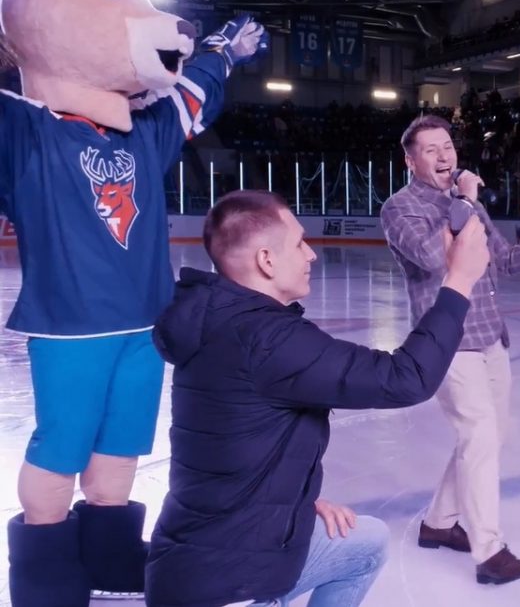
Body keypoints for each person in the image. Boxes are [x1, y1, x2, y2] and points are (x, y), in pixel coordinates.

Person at [0, 0, 269, 602]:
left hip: (147, 326)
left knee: (122, 447)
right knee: (62, 445)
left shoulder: (142, 135)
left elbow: (191, 98)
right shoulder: (25, 130)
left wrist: (218, 54)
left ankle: (111, 552)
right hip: (71, 326)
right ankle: (45, 571)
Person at [143, 190, 492, 607]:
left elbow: (232, 448)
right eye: (299, 243)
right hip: (231, 585)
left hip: (191, 564)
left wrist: (296, 504)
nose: (311, 254)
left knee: (365, 542)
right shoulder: (268, 340)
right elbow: (407, 377)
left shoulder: (216, 318)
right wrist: (458, 282)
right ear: (266, 260)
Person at [380, 114, 520, 585]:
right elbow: (437, 258)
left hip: (491, 335)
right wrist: (466, 201)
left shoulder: (464, 203)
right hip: (448, 343)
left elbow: (502, 260)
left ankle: (437, 523)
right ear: (410, 161)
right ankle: (488, 551)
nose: (444, 155)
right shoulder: (400, 208)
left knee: (491, 436)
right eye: (430, 150)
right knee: (478, 434)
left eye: (447, 145)